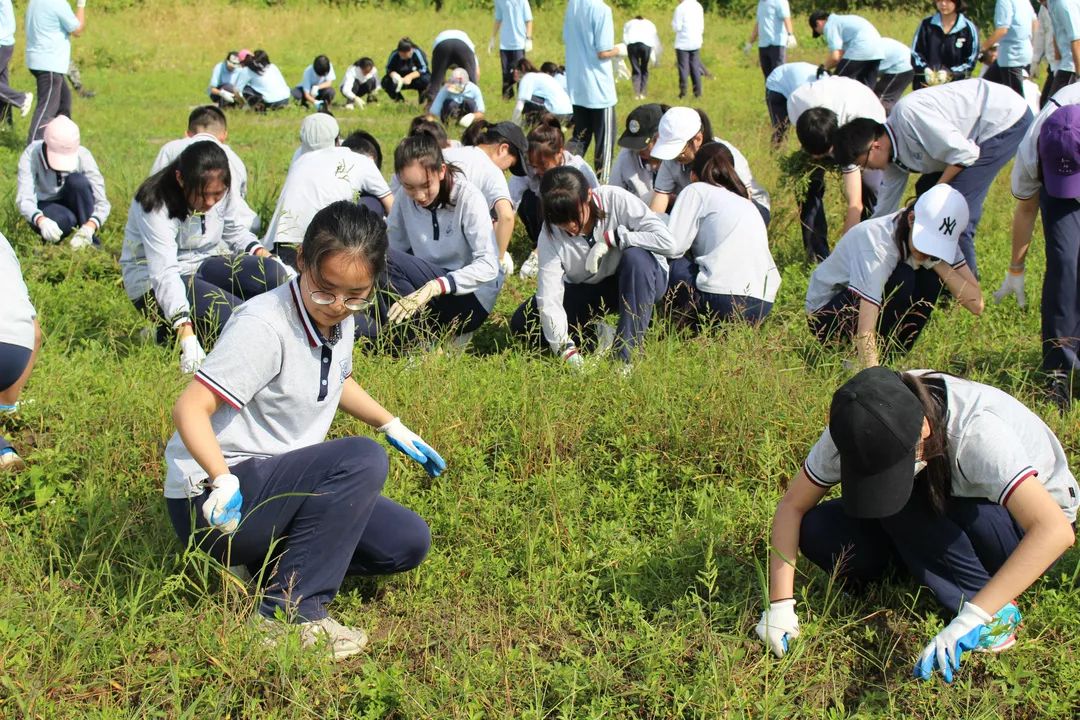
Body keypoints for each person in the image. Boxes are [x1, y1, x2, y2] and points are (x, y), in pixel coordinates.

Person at [167, 200, 442, 659]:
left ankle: (272, 566)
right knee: (360, 459)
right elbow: (190, 408)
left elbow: (338, 377)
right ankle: (287, 615)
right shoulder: (264, 325)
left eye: (356, 296)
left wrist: (390, 423)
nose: (338, 306)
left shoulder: (340, 318)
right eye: (325, 290)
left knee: (406, 542)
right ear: (302, 263)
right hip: (216, 505)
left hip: (276, 491)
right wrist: (221, 478)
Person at [757, 366, 1077, 683]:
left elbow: (1055, 531)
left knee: (908, 500)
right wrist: (780, 606)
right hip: (946, 505)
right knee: (819, 528)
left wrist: (975, 615)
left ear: (924, 427)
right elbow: (792, 505)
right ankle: (922, 565)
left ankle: (992, 608)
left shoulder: (976, 433)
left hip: (1020, 531)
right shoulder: (856, 423)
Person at [833, 78, 1033, 277]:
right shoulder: (892, 160)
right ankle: (935, 277)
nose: (866, 169)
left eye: (863, 162)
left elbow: (966, 154)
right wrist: (856, 249)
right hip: (966, 140)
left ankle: (966, 289)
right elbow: (884, 212)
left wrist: (936, 192)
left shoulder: (909, 117)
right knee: (925, 199)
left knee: (950, 212)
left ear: (875, 146)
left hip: (1004, 119)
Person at [120, 141, 291, 371]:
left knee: (271, 274)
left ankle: (167, 332)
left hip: (204, 263)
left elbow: (235, 230)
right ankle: (173, 331)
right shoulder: (155, 203)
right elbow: (164, 273)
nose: (210, 203)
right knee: (239, 319)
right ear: (181, 179)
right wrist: (186, 337)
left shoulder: (222, 190)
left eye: (217, 195)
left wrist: (266, 256)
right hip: (152, 284)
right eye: (202, 195)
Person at [509, 166, 676, 365]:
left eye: (575, 215)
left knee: (635, 257)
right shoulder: (549, 234)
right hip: (592, 287)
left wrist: (615, 238)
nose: (570, 226)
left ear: (588, 194)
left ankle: (625, 358)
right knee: (524, 323)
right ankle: (600, 335)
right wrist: (565, 349)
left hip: (641, 278)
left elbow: (669, 243)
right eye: (560, 221)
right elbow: (549, 297)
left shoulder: (615, 200)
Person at [805, 185, 983, 367]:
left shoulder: (942, 236)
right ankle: (853, 360)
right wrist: (876, 382)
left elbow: (976, 305)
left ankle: (888, 357)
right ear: (912, 219)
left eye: (936, 246)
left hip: (866, 309)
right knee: (902, 277)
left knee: (933, 277)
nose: (930, 251)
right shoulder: (877, 243)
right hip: (826, 316)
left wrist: (937, 263)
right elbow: (864, 330)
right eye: (927, 242)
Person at [357, 134, 502, 348]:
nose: (420, 195)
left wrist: (436, 286)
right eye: (409, 187)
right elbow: (392, 244)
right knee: (363, 324)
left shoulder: (468, 198)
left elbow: (490, 266)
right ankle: (418, 336)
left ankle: (419, 342)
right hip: (426, 293)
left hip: (470, 298)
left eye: (426, 185)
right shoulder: (406, 200)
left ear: (441, 171)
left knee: (385, 258)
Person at [999, 102, 1080, 407]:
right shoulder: (1033, 144)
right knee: (1065, 262)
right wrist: (1015, 269)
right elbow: (1026, 207)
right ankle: (1058, 370)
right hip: (1058, 192)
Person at [666, 142, 782, 327]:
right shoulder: (748, 204)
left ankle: (676, 326)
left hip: (720, 300)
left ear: (693, 174)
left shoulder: (696, 190)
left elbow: (673, 247)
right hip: (761, 306)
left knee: (668, 261)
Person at [787, 75, 886, 260]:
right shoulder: (796, 103)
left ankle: (867, 248)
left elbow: (854, 203)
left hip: (866, 124)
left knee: (872, 188)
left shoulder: (858, 121)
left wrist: (841, 257)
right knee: (807, 186)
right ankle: (816, 255)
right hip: (828, 112)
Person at [264, 137, 394, 267]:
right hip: (326, 249)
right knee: (372, 202)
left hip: (280, 245)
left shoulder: (303, 159)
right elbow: (392, 207)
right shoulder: (365, 162)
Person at [647, 107, 771, 225]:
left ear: (698, 139)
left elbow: (744, 199)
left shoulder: (723, 155)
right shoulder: (672, 158)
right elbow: (660, 196)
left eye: (680, 151)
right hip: (700, 207)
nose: (675, 158)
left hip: (747, 206)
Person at [510, 116, 599, 277]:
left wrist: (538, 255)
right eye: (533, 165)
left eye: (543, 165)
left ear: (560, 153)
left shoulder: (576, 169)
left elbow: (596, 202)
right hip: (544, 221)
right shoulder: (530, 167)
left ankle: (552, 248)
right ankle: (540, 241)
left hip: (574, 223)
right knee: (529, 199)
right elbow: (510, 202)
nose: (537, 171)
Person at [150, 105, 257, 234]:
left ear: (188, 134)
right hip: (243, 227)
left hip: (193, 232)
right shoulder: (235, 159)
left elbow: (154, 191)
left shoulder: (170, 149)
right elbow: (240, 196)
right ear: (224, 136)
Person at [442, 121, 527, 276]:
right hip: (457, 261)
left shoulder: (449, 153)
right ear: (503, 149)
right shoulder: (491, 170)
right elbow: (506, 217)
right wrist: (497, 260)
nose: (505, 171)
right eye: (508, 166)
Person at [17, 116, 108, 248]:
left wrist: (90, 226)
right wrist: (40, 220)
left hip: (73, 201)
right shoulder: (31, 155)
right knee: (65, 220)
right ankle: (59, 237)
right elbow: (24, 198)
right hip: (45, 205)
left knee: (78, 182)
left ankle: (90, 240)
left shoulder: (83, 155)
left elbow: (102, 202)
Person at [563, 0, 624, 182]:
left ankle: (563, 173)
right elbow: (603, 51)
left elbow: (567, 38)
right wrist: (621, 49)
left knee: (579, 139)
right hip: (599, 90)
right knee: (604, 144)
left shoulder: (573, 5)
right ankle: (602, 185)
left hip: (577, 86)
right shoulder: (601, 9)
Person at [0, 232, 40, 472]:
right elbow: (37, 334)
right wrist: (7, 400)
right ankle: (5, 453)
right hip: (18, 349)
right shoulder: (4, 242)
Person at [24, 0, 85, 144]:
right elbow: (77, 29)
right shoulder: (57, 3)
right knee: (46, 110)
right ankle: (32, 148)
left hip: (38, 60)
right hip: (49, 64)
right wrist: (81, 5)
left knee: (64, 103)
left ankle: (62, 142)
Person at [911, 0, 980, 90]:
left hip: (956, 87)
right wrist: (925, 70)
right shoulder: (926, 25)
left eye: (948, 1)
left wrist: (950, 73)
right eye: (939, 0)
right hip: (925, 86)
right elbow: (915, 53)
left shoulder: (968, 28)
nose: (943, 4)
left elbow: (971, 60)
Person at [808, 10, 884, 88]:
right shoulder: (842, 21)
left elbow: (836, 57)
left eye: (819, 32)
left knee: (836, 83)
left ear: (818, 23)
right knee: (866, 89)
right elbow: (842, 55)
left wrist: (823, 68)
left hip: (861, 47)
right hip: (878, 51)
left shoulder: (830, 25)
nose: (822, 34)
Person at [609, 103, 667, 205]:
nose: (637, 150)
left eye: (643, 145)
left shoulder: (678, 157)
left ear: (659, 137)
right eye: (633, 145)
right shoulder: (625, 157)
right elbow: (612, 197)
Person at [980, 0, 1038, 96]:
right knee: (985, 88)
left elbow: (1002, 30)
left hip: (1011, 56)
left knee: (1015, 97)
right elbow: (1035, 23)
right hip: (1023, 53)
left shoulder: (1004, 1)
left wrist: (982, 48)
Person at [764, 61, 818, 145]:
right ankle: (776, 154)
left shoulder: (823, 82)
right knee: (781, 127)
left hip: (790, 81)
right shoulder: (805, 89)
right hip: (776, 85)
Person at [491, 0, 533, 100]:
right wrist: (492, 38)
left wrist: (529, 38)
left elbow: (529, 20)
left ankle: (522, 97)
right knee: (506, 72)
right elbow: (498, 19)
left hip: (518, 43)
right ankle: (507, 98)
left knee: (520, 72)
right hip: (504, 44)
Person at [511, 58, 573, 124]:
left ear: (518, 70)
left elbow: (519, 105)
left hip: (557, 114)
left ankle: (530, 126)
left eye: (512, 71)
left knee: (526, 103)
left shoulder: (527, 78)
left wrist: (514, 124)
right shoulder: (542, 76)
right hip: (569, 114)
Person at [0, 0, 32, 126]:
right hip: (5, 42)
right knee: (2, 84)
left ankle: (21, 99)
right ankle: (6, 123)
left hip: (2, 42)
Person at [426, 29, 478, 103]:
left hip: (442, 44)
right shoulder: (470, 48)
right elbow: (476, 73)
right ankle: (473, 104)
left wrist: (444, 86)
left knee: (436, 80)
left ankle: (431, 104)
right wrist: (473, 84)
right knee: (471, 79)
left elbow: (439, 75)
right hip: (462, 46)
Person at [748, 0, 795, 81]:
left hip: (777, 44)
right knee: (767, 76)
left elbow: (786, 18)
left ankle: (779, 93)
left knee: (778, 74)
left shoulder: (780, 1)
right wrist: (750, 43)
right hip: (763, 44)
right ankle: (769, 94)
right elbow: (758, 24)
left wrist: (790, 34)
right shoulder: (761, 3)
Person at [672, 0, 704, 99]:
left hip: (683, 42)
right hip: (696, 40)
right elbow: (701, 25)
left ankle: (683, 92)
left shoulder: (680, 8)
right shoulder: (698, 5)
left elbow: (677, 27)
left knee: (683, 68)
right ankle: (697, 92)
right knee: (695, 66)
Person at [623, 15, 661, 100]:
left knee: (636, 69)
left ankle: (636, 94)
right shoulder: (649, 23)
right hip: (646, 45)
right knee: (644, 69)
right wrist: (655, 58)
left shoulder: (629, 23)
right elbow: (654, 39)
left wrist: (627, 47)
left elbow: (624, 37)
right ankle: (643, 93)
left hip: (632, 45)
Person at [383, 37, 430, 103]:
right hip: (400, 79)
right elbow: (388, 68)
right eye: (402, 55)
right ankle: (400, 101)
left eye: (406, 55)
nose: (404, 57)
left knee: (427, 80)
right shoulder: (394, 54)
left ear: (411, 50)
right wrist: (394, 75)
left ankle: (423, 101)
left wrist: (410, 77)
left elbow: (423, 68)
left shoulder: (417, 52)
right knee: (386, 82)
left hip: (416, 78)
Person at [1048, 0, 1080, 96]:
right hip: (1067, 65)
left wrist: (1079, 77)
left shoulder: (1064, 3)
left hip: (1072, 67)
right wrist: (1057, 64)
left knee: (1053, 108)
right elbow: (1057, 33)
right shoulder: (1052, 2)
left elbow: (1077, 40)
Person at [875, 38, 915, 111]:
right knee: (876, 96)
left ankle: (887, 121)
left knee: (882, 100)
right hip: (904, 60)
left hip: (903, 64)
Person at [1031, 0, 1057, 105]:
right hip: (1053, 64)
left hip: (1069, 65)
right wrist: (1035, 61)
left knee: (1050, 104)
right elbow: (1040, 34)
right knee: (1045, 103)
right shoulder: (1043, 8)